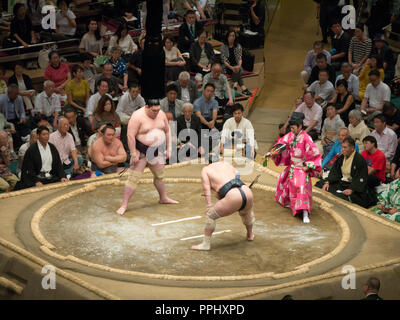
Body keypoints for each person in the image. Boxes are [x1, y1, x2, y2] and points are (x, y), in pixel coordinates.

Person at [116, 99, 178, 216]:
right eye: (154, 110)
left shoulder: (161, 114)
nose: (156, 112)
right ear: (147, 107)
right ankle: (124, 205)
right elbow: (130, 136)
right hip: (141, 150)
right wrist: (134, 153)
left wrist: (169, 148)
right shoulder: (137, 116)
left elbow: (167, 131)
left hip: (156, 150)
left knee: (160, 175)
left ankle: (163, 198)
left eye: (158, 110)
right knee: (134, 178)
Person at [265, 112, 321, 223]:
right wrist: (272, 153)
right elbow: (281, 145)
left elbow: (315, 153)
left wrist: (307, 166)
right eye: (291, 128)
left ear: (300, 126)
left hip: (301, 168)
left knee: (301, 186)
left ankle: (305, 212)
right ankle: (293, 205)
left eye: (293, 128)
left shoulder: (306, 138)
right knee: (282, 180)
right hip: (292, 167)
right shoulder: (290, 135)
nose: (292, 130)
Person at [191, 160, 255, 251]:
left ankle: (205, 245)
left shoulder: (206, 169)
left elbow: (206, 189)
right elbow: (237, 175)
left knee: (210, 215)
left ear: (207, 162)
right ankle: (250, 235)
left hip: (233, 196)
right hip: (246, 190)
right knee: (247, 213)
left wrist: (209, 205)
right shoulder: (226, 163)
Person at [322, 137, 376, 208]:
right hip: (342, 183)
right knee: (321, 185)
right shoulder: (341, 157)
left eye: (345, 147)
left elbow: (361, 177)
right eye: (342, 147)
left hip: (354, 187)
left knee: (339, 197)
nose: (342, 149)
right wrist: (328, 182)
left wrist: (351, 189)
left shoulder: (359, 160)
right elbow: (334, 172)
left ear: (352, 148)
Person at [220, 30, 252, 96]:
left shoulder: (238, 46)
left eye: (233, 36)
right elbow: (224, 60)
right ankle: (243, 88)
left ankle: (235, 84)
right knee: (237, 71)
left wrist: (239, 65)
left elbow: (239, 58)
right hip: (227, 66)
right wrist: (231, 67)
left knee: (239, 69)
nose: (232, 37)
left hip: (237, 66)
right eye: (230, 36)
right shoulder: (223, 46)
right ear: (227, 37)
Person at [0, 84, 28, 149]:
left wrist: (22, 117)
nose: (16, 96)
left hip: (16, 119)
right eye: (15, 94)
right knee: (15, 133)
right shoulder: (1, 99)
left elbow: (22, 111)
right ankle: (18, 148)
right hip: (5, 120)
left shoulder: (19, 98)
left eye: (17, 94)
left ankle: (26, 144)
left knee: (26, 129)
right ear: (9, 93)